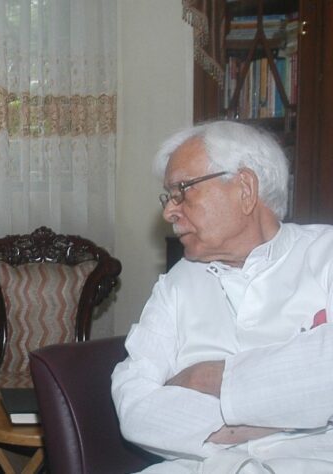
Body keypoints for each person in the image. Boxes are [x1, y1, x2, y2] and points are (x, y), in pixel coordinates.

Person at [111, 120, 333, 473]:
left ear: (245, 189)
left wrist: (206, 379)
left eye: (182, 190)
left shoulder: (325, 254)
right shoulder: (177, 284)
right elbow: (134, 404)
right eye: (169, 196)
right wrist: (280, 413)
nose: (169, 211)